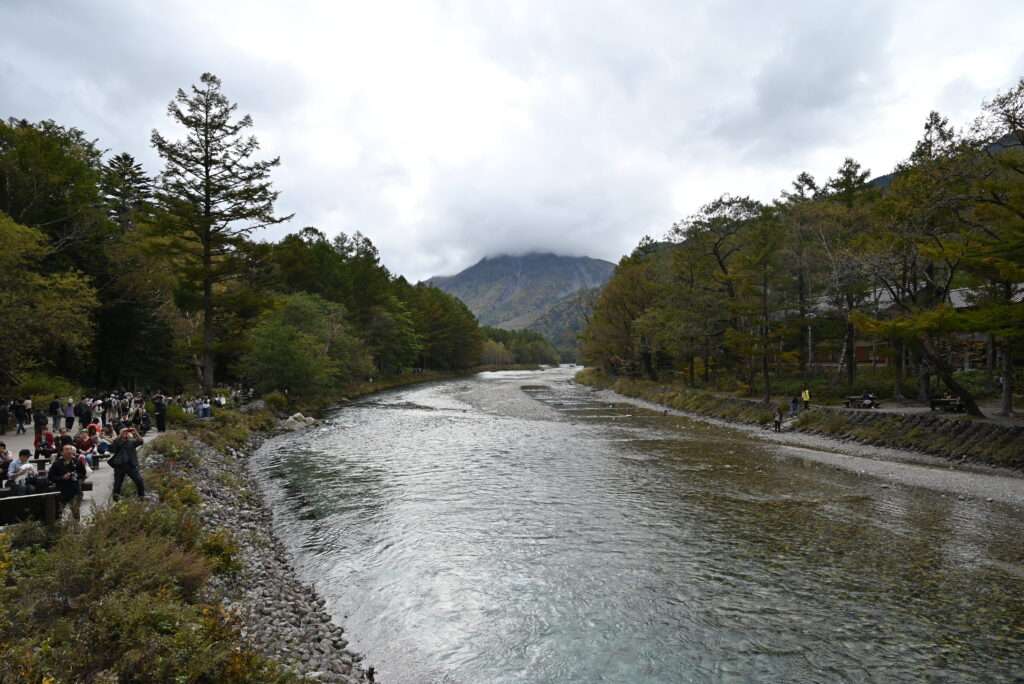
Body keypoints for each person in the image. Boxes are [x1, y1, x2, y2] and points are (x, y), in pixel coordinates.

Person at [49, 444, 87, 521]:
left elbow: (83, 473)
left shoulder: (77, 462)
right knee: (59, 511)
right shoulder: (57, 464)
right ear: (62, 453)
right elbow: (51, 477)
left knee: (75, 510)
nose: (69, 454)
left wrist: (76, 475)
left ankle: (77, 528)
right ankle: (58, 527)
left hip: (74, 490)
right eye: (67, 452)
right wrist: (62, 477)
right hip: (61, 490)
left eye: (70, 452)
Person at [110, 427, 145, 500]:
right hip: (119, 465)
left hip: (130, 465)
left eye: (126, 432)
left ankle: (141, 496)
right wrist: (120, 435)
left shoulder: (131, 442)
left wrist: (135, 432)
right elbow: (113, 448)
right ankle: (116, 497)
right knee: (118, 483)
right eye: (124, 432)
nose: (125, 433)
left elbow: (141, 441)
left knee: (139, 480)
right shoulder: (117, 442)